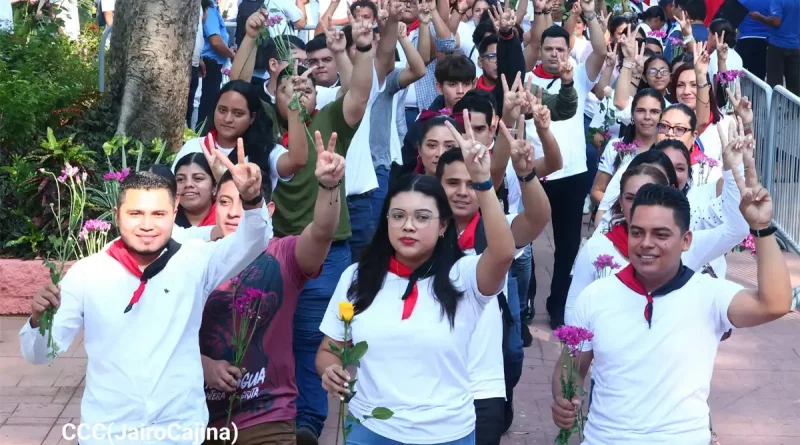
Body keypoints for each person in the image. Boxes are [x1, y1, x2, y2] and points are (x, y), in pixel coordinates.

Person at [20, 153, 273, 443]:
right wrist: (40, 320)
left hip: (180, 430)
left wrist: (252, 199)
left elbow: (252, 242)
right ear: (117, 214)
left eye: (158, 214)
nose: (147, 225)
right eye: (135, 214)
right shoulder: (88, 274)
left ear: (174, 210)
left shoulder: (195, 260)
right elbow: (42, 353)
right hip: (108, 432)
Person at [552, 147, 792, 444]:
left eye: (661, 234)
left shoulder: (708, 294)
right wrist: (566, 398)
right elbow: (572, 367)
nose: (646, 243)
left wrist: (761, 227)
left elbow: (775, 303)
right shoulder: (596, 296)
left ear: (686, 240)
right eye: (637, 232)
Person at [316, 127, 516, 444]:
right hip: (370, 430)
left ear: (443, 226)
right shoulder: (358, 277)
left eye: (422, 217)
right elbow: (329, 350)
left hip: (448, 433)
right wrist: (330, 371)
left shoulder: (463, 275)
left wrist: (483, 182)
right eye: (398, 216)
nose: (408, 225)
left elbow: (504, 253)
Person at [200, 132, 343, 445]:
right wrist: (202, 364)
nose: (234, 212)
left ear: (269, 210)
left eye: (244, 201)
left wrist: (329, 186)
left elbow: (321, 232)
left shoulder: (284, 254)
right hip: (197, 416)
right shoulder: (193, 257)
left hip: (267, 417)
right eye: (225, 202)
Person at [437, 109, 552, 444]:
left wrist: (526, 174)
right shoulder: (417, 233)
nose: (462, 192)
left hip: (482, 382)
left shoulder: (494, 231)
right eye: (452, 183)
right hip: (433, 378)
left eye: (471, 184)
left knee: (514, 357)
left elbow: (537, 218)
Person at [567, 137, 750, 321]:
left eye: (649, 195)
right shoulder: (597, 247)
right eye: (631, 197)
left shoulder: (684, 245)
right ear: (621, 201)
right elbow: (573, 312)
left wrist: (733, 169)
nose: (640, 205)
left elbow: (736, 230)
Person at [523, 0, 607, 330]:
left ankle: (557, 304)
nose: (555, 54)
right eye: (549, 48)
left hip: (572, 176)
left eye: (561, 48)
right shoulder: (527, 80)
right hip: (535, 175)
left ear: (568, 50)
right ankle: (525, 301)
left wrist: (588, 14)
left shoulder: (580, 76)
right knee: (523, 245)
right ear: (540, 49)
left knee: (567, 246)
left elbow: (600, 48)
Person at [172, 79, 307, 198]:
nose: (228, 119)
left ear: (252, 117)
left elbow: (296, 161)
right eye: (222, 110)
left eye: (238, 113)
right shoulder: (194, 146)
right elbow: (172, 191)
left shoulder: (267, 151)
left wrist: (294, 108)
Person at [592, 88, 666, 206]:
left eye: (654, 112)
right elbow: (597, 191)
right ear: (632, 114)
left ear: (662, 116)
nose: (647, 117)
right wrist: (623, 210)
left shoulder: (667, 151)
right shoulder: (614, 147)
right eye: (641, 110)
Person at [199, 0, 237, 129]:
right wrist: (232, 56)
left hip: (213, 64)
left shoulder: (213, 7)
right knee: (207, 108)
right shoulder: (208, 8)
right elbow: (215, 41)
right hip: (209, 64)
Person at [749, 0, 800, 95]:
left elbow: (776, 21)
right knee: (794, 85)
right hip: (794, 45)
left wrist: (759, 17)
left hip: (777, 45)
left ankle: (774, 109)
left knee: (774, 84)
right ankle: (795, 109)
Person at [174, 153, 217, 228]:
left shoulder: (229, 217)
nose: (188, 184)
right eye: (180, 179)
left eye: (198, 178)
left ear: (214, 186)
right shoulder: (165, 219)